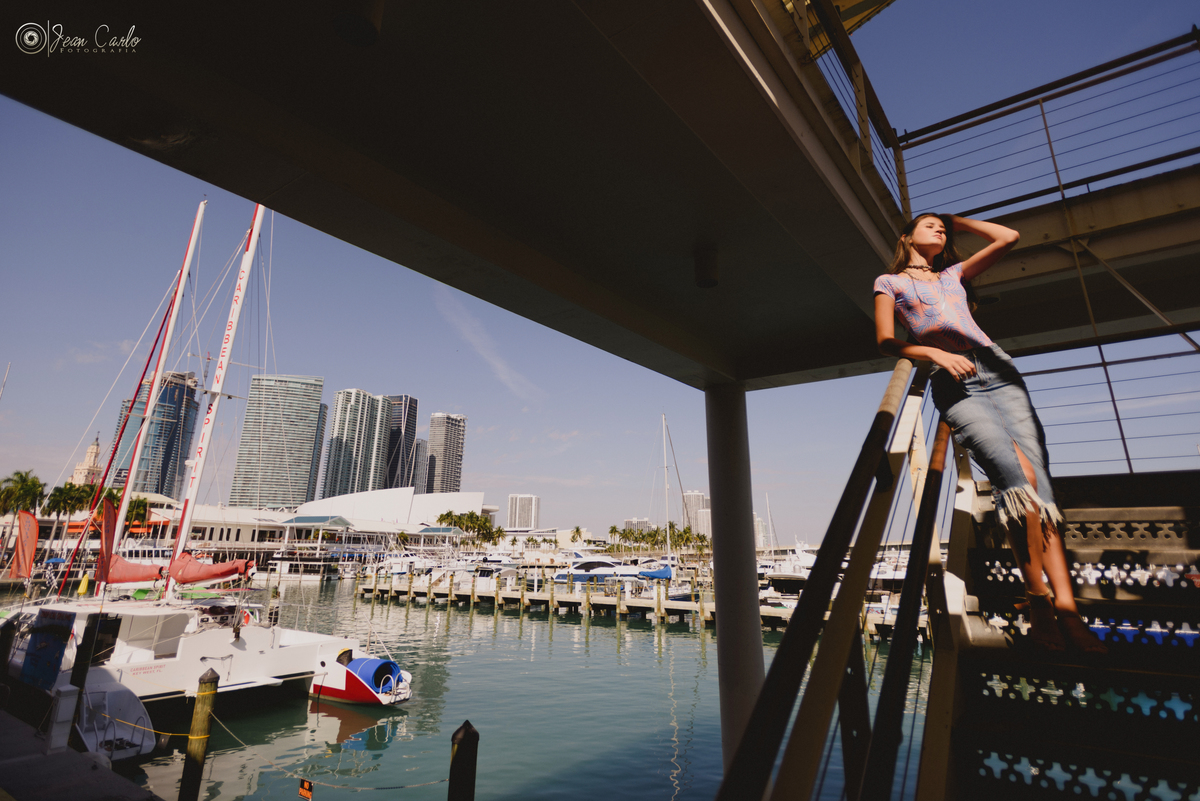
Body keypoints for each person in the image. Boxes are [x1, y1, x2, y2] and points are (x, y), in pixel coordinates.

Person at [873, 213, 1106, 653]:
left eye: (941, 228)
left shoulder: (953, 274)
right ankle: (1039, 602)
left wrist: (953, 219)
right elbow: (885, 340)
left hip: (998, 370)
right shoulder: (890, 283)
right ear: (906, 238)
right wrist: (930, 353)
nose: (938, 230)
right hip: (955, 383)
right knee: (1019, 479)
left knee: (1041, 490)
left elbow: (1009, 237)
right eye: (928, 225)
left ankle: (1069, 612)